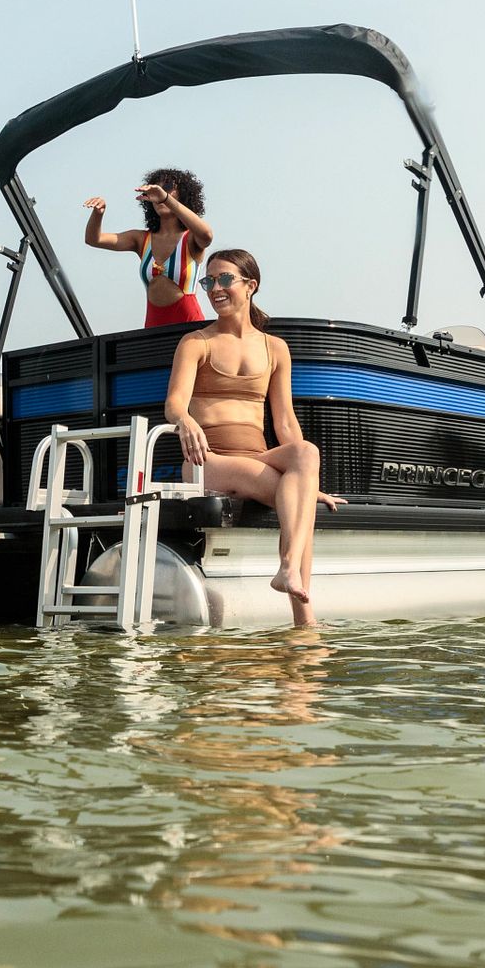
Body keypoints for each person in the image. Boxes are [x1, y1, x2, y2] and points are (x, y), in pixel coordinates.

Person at [163, 249, 342, 627]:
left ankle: (290, 571)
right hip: (208, 462)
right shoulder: (197, 342)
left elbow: (286, 422)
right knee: (298, 500)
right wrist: (185, 421)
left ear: (250, 286)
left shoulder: (275, 348)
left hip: (256, 458)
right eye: (208, 281)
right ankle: (304, 617)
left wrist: (309, 481)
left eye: (225, 279)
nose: (215, 289)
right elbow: (174, 404)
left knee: (306, 453)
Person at [81, 167, 214, 327]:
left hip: (189, 324)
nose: (158, 193)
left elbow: (207, 235)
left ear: (183, 194)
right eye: (154, 190)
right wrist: (98, 213)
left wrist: (165, 199)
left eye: (167, 187)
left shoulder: (191, 237)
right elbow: (93, 239)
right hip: (153, 326)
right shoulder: (141, 239)